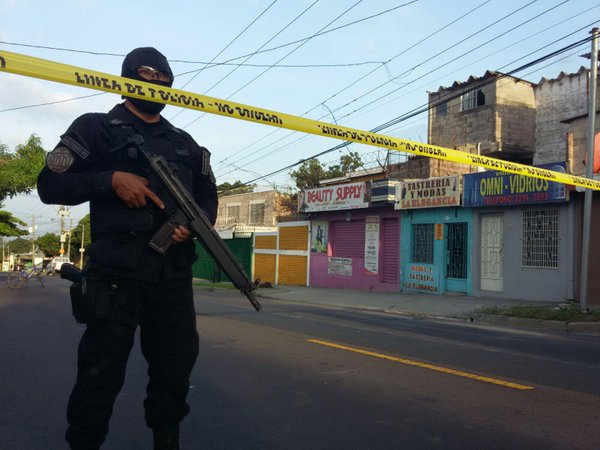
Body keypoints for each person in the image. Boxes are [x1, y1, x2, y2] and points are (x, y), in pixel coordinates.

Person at [37, 47, 218, 450]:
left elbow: (208, 196)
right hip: (115, 277)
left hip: (171, 278)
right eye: (147, 74)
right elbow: (49, 185)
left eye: (164, 77)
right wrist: (111, 179)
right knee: (99, 376)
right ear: (126, 77)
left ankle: (166, 439)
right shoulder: (95, 128)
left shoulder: (185, 143)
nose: (156, 83)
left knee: (174, 370)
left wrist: (192, 224)